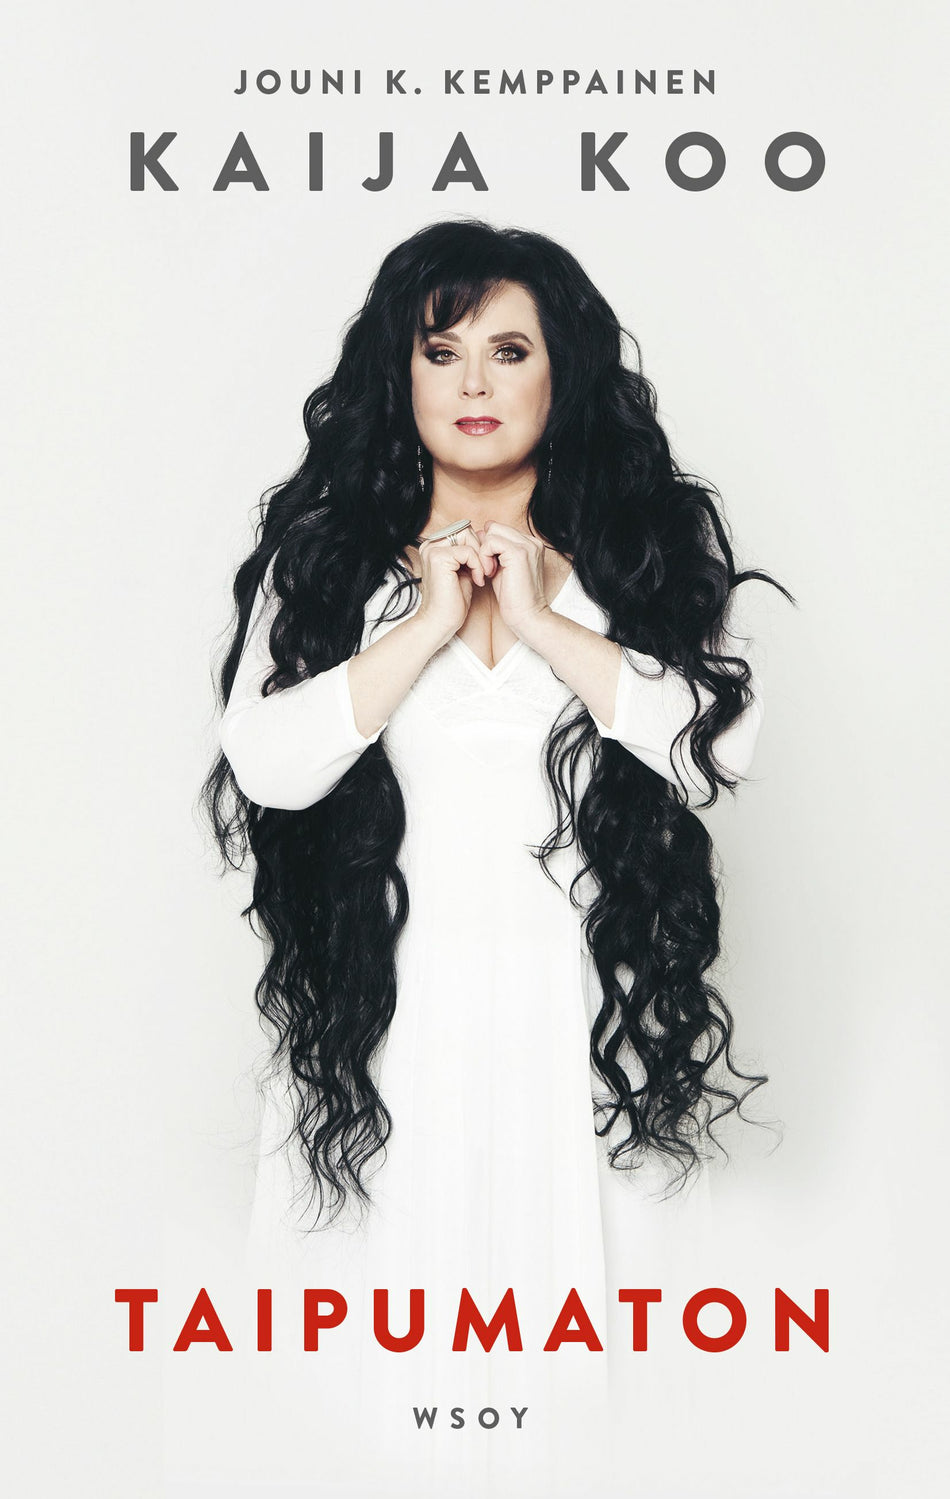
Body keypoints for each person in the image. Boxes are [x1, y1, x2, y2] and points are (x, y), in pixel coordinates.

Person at [202, 219, 784, 1494]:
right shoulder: (326, 567)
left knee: (587, 1408)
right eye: (441, 350)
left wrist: (537, 615)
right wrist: (422, 624)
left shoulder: (636, 560)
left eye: (507, 351)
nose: (472, 381)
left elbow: (717, 753)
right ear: (398, 375)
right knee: (364, 1398)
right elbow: (270, 761)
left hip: (579, 1042)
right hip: (380, 1042)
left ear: (559, 373)